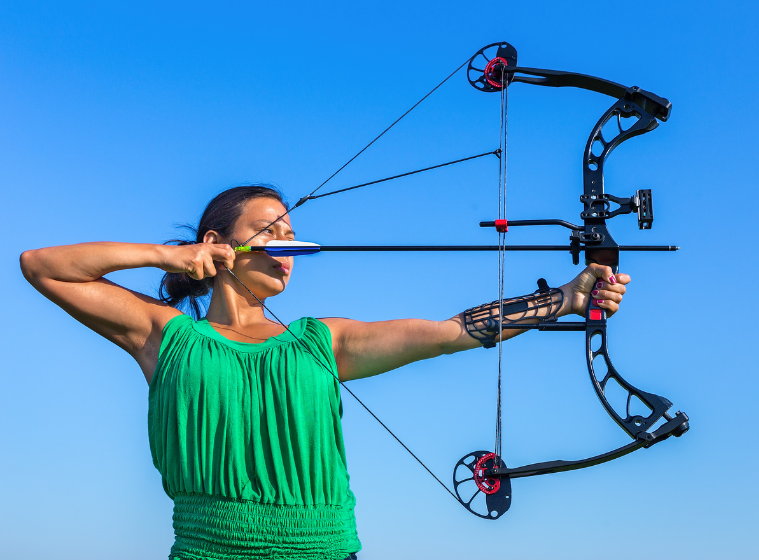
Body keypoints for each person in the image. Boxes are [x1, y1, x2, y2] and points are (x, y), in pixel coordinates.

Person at [19, 185, 629, 559]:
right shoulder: (166, 335)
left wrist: (565, 301)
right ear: (218, 243)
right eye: (270, 230)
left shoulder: (321, 341)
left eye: (292, 232)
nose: (288, 242)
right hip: (210, 554)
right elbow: (42, 265)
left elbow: (451, 332)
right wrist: (168, 256)